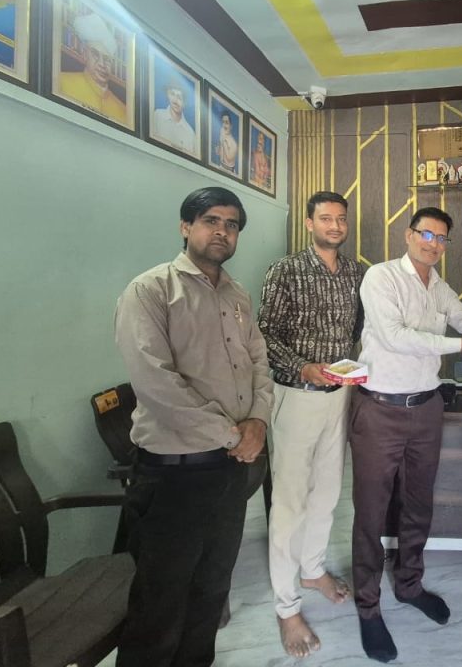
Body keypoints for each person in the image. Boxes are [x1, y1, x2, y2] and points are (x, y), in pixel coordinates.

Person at [113, 186, 274, 667]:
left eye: (232, 224)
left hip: (229, 471)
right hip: (173, 474)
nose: (222, 231)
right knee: (160, 604)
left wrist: (259, 420)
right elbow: (155, 383)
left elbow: (259, 362)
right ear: (185, 227)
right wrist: (234, 434)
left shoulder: (238, 295)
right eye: (211, 221)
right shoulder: (151, 291)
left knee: (211, 591)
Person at [351, 206, 462, 663]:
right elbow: (395, 337)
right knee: (371, 511)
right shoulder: (381, 277)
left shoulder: (438, 286)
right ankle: (368, 606)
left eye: (441, 238)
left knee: (418, 504)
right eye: (426, 234)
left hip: (426, 408)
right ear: (408, 234)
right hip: (380, 409)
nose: (433, 243)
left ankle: (409, 584)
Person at [257, 191, 365, 658]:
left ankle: (313, 569)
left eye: (341, 219)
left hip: (339, 396)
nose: (335, 226)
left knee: (327, 492)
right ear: (309, 223)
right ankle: (286, 607)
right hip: (296, 396)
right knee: (290, 503)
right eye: (325, 218)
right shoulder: (285, 270)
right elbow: (265, 333)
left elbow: (359, 329)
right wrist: (302, 367)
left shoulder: (358, 272)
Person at [59, 12, 128, 125]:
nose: (102, 64)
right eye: (95, 55)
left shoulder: (122, 110)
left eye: (107, 60)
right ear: (84, 54)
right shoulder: (62, 81)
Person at [152, 81, 196, 154]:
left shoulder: (190, 133)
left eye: (179, 97)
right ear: (168, 95)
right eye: (172, 94)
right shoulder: (157, 115)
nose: (175, 101)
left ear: (184, 103)